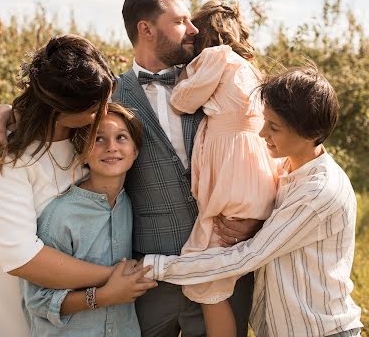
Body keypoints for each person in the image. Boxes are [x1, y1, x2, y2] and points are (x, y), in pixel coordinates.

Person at [0, 0, 262, 337]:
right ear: (146, 29)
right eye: (180, 21)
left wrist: (254, 219)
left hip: (222, 263)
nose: (193, 30)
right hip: (146, 275)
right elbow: (52, 106)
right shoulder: (104, 97)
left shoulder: (217, 79)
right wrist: (6, 110)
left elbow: (261, 148)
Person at [143, 67, 363, 337]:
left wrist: (156, 267)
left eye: (274, 127)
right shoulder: (283, 170)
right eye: (264, 121)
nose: (261, 134)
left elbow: (247, 257)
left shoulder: (318, 191)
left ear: (310, 134)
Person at [0, 34, 156, 337]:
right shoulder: (8, 155)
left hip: (54, 287)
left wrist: (5, 108)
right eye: (97, 106)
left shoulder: (81, 136)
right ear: (60, 110)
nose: (105, 109)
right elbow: (22, 258)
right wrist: (111, 278)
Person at [169, 0, 278, 337]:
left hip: (233, 180)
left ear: (204, 35)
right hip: (256, 173)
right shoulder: (248, 67)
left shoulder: (216, 58)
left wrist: (185, 74)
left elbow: (181, 101)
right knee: (220, 271)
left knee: (204, 272)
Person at [23, 102, 157, 336]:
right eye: (99, 139)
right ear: (82, 151)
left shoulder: (130, 205)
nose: (111, 147)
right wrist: (103, 297)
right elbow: (37, 300)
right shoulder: (61, 215)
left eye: (121, 137)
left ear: (135, 151)